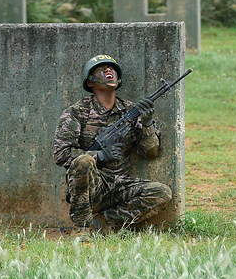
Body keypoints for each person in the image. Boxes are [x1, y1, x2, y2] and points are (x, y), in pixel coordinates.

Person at [53, 54, 172, 235]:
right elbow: (61, 153)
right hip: (91, 186)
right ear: (90, 81)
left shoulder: (130, 111)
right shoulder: (77, 112)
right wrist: (99, 156)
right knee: (83, 161)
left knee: (162, 193)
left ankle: (103, 225)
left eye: (112, 68)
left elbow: (151, 152)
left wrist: (147, 123)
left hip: (119, 186)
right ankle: (82, 228)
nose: (109, 70)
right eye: (102, 69)